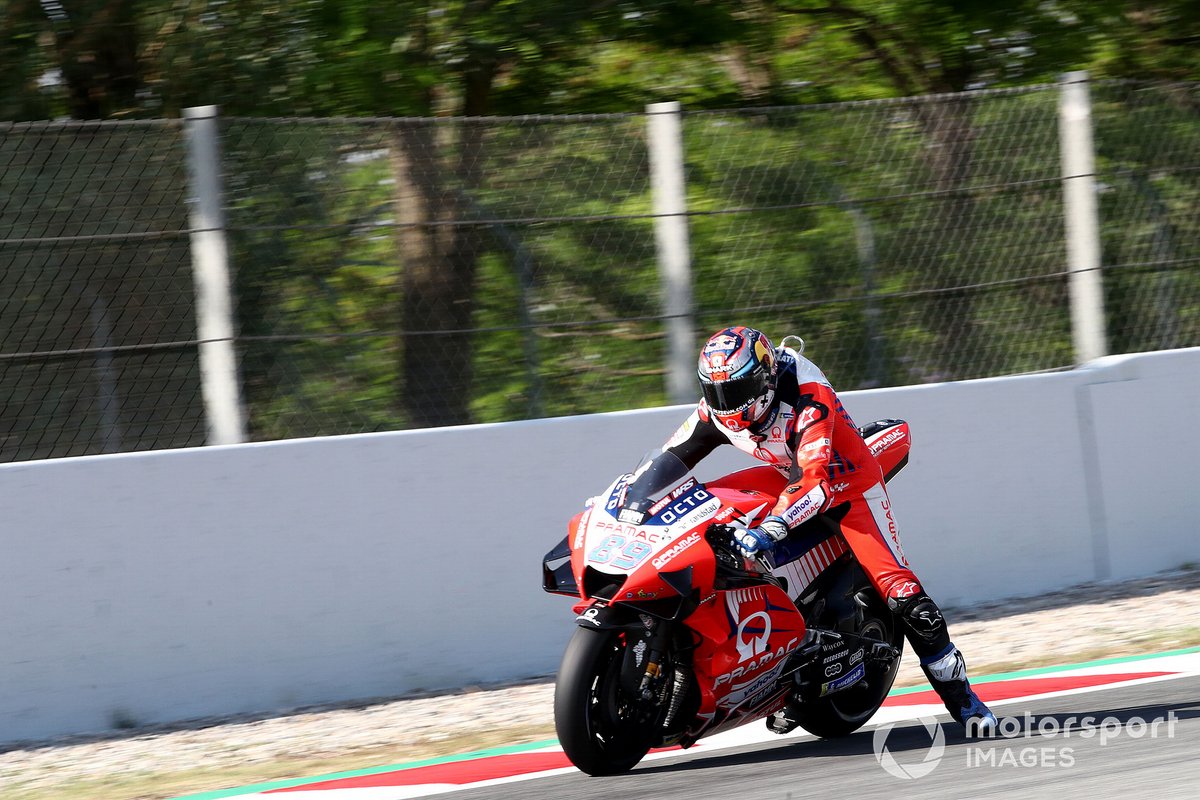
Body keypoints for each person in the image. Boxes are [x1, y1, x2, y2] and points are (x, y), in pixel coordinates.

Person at [655, 325, 997, 736]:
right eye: (716, 391)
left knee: (905, 598)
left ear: (764, 377)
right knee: (704, 508)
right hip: (785, 476)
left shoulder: (807, 396)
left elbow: (815, 484)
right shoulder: (718, 406)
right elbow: (667, 461)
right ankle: (769, 671)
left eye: (737, 389)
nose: (726, 403)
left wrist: (771, 527)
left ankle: (964, 701)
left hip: (848, 487)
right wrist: (627, 501)